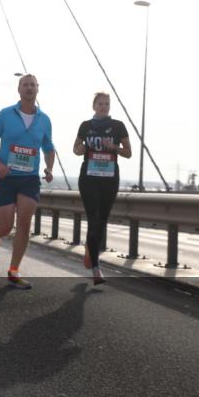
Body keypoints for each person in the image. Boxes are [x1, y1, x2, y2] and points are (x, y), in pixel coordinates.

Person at [0, 74, 55, 290]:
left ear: (37, 89)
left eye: (32, 85)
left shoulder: (44, 119)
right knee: (5, 226)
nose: (29, 88)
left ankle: (14, 270)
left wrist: (49, 168)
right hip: (5, 177)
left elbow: (49, 148)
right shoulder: (5, 114)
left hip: (29, 179)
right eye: (25, 84)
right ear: (18, 89)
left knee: (24, 223)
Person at [73, 92, 131, 285]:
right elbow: (76, 148)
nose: (104, 106)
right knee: (93, 219)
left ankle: (91, 249)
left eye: (107, 104)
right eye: (100, 103)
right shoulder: (85, 126)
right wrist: (80, 149)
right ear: (94, 105)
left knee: (102, 221)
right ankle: (96, 269)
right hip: (89, 178)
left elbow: (128, 153)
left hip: (109, 179)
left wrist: (113, 147)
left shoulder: (118, 126)